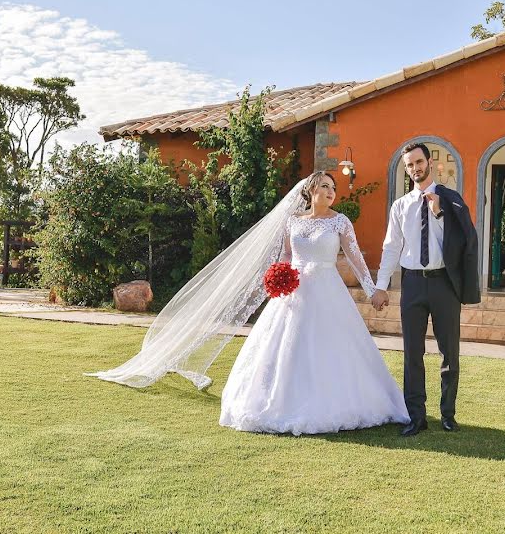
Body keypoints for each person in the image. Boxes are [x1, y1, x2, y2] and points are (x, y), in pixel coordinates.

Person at [88, 171, 409, 436]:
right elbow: (285, 256)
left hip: (327, 291)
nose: (330, 191)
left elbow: (355, 260)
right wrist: (280, 276)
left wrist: (373, 290)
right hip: (294, 293)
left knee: (329, 346)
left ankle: (342, 400)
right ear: (310, 191)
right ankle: (280, 401)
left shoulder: (340, 223)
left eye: (333, 188)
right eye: (324, 186)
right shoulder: (293, 221)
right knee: (285, 347)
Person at [371, 142, 480, 437]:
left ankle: (448, 414)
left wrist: (438, 213)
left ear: (429, 162)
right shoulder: (400, 206)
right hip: (413, 283)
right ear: (406, 169)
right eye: (409, 165)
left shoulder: (451, 200)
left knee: (449, 352)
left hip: (445, 283)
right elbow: (391, 248)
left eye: (419, 162)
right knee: (412, 353)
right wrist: (381, 286)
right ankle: (416, 417)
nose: (415, 168)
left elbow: (465, 240)